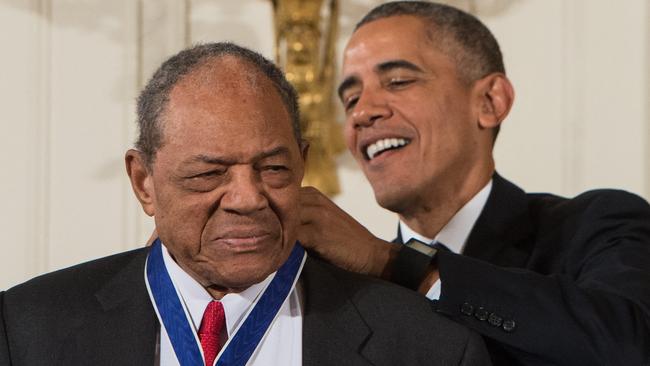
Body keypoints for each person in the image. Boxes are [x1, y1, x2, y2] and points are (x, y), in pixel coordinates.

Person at [0, 42, 491, 366]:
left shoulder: (427, 346)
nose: (248, 198)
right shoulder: (28, 330)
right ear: (144, 181)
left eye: (273, 169)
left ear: (302, 163)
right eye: (209, 174)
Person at [298, 2, 650, 365]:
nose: (361, 112)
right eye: (350, 98)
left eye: (398, 81)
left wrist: (397, 264)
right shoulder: (340, 291)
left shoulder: (597, 224)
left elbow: (628, 345)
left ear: (490, 101)